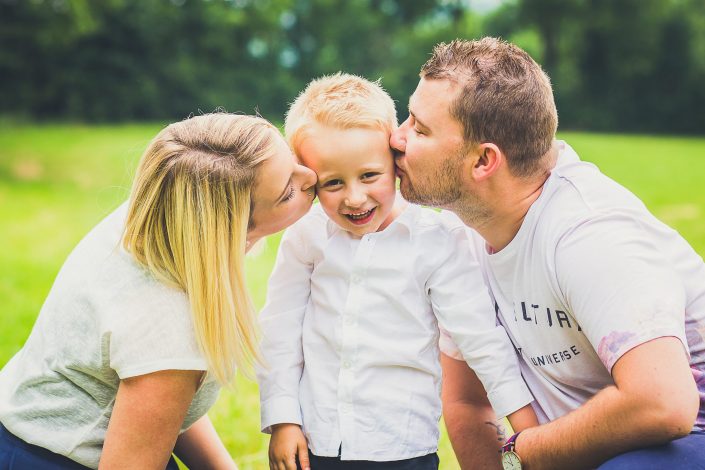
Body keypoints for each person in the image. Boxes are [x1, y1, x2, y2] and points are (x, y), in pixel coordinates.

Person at [390, 37, 705, 469]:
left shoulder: (588, 233)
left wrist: (526, 453)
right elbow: (467, 402)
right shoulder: (457, 237)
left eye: (419, 128)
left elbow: (664, 403)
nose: (397, 137)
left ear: (484, 161)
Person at [0, 113, 317, 469]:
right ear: (226, 229)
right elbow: (164, 380)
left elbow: (165, 408)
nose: (312, 178)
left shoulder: (161, 217)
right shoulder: (169, 325)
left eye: (291, 160)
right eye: (287, 191)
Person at [256, 73, 538, 470]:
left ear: (394, 160)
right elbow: (280, 331)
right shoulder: (306, 237)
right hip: (318, 442)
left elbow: (481, 339)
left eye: (369, 175)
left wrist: (526, 428)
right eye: (333, 182)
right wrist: (284, 419)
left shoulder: (437, 239)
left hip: (401, 447)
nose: (355, 197)